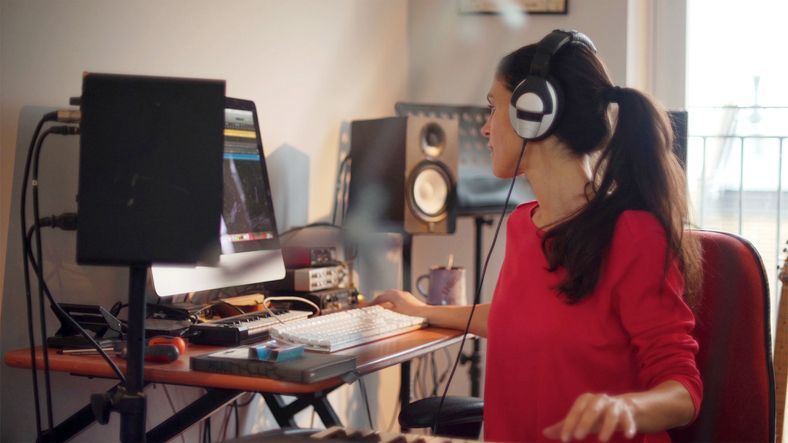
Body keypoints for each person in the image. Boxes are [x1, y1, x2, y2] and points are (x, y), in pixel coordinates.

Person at [373, 29, 703, 442]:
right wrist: (420, 309)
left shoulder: (633, 235)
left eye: (494, 108)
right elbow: (515, 318)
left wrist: (628, 407)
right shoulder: (522, 224)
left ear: (534, 112)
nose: (485, 128)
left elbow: (683, 390)